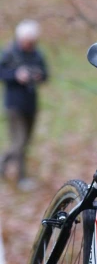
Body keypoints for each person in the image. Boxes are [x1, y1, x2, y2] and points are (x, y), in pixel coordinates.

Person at [0, 19, 48, 192]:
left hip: (31, 104)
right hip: (14, 104)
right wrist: (16, 75)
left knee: (25, 142)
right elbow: (2, 73)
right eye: (27, 41)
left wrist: (37, 75)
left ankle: (3, 163)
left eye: (32, 41)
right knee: (19, 142)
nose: (29, 44)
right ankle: (21, 178)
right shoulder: (10, 52)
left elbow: (45, 75)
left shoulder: (37, 54)